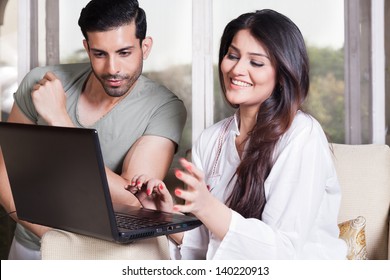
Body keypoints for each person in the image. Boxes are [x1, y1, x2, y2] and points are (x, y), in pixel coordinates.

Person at [131, 9, 348, 259]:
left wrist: (208, 206)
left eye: (256, 62)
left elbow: (283, 254)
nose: (236, 70)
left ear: (282, 74)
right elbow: (214, 248)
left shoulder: (302, 133)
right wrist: (165, 216)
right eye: (232, 56)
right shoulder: (210, 140)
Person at [0, 0, 186, 260]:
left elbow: (131, 202)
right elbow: (6, 171)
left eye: (124, 52)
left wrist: (61, 121)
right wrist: (48, 236)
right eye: (100, 54)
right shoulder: (41, 84)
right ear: (87, 48)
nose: (112, 68)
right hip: (31, 244)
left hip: (103, 254)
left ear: (145, 47)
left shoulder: (164, 108)